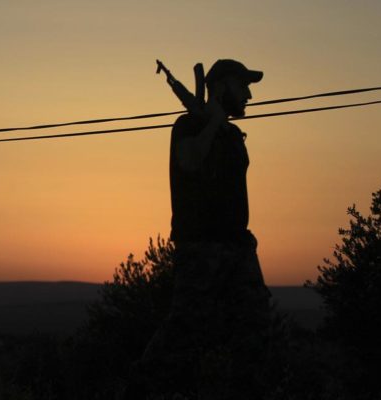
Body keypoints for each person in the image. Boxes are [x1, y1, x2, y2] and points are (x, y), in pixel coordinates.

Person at [140, 59, 272, 396]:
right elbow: (189, 161)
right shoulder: (188, 125)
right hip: (201, 247)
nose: (248, 96)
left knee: (257, 329)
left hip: (238, 247)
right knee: (183, 332)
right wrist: (212, 123)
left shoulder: (233, 136)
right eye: (243, 87)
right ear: (223, 86)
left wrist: (219, 127)